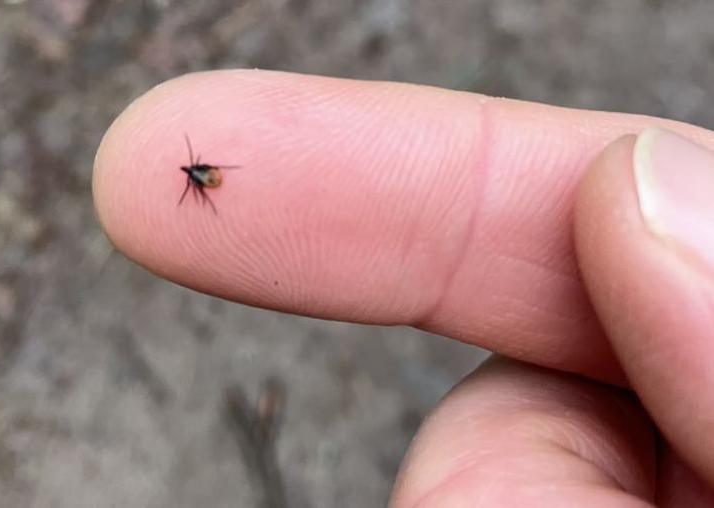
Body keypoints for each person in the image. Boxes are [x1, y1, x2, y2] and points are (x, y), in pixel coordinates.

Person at [93, 70, 714, 506]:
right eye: (194, 171)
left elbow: (216, 176)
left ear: (196, 172)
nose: (194, 172)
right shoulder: (206, 173)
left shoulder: (203, 176)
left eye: (194, 170)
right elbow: (218, 175)